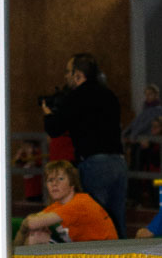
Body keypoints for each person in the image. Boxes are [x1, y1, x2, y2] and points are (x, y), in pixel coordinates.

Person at [42, 53, 128, 238]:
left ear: (78, 75)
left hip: (95, 164)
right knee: (116, 221)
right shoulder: (109, 94)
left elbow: (55, 128)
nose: (66, 77)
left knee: (94, 221)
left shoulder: (76, 97)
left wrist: (48, 114)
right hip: (118, 163)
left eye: (68, 72)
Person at [14, 160, 117, 245]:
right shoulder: (57, 206)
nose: (54, 184)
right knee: (36, 235)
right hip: (83, 251)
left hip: (103, 256)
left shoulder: (81, 202)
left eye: (60, 179)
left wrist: (25, 226)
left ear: (72, 183)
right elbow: (33, 220)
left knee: (36, 236)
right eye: (50, 180)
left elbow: (32, 222)